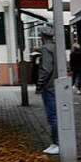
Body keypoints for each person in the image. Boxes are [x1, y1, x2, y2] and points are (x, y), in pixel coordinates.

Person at [35, 25, 59, 155]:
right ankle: (57, 142)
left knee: (53, 116)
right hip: (58, 85)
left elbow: (46, 69)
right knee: (58, 114)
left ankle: (57, 143)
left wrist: (39, 85)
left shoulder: (45, 49)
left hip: (49, 86)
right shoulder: (57, 48)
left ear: (42, 37)